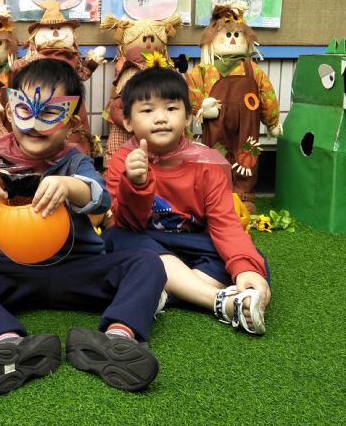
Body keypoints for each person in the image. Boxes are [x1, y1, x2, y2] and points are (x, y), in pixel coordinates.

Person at [0, 59, 167, 395]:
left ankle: (118, 338)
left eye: (49, 113)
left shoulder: (75, 159)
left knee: (147, 262)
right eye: (25, 110)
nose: (34, 124)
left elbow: (101, 198)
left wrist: (70, 185)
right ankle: (9, 341)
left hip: (80, 270)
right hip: (16, 272)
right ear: (10, 110)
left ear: (71, 122)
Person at [104, 67, 272, 335]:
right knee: (117, 237)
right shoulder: (122, 160)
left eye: (171, 108)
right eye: (147, 110)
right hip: (145, 241)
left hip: (191, 242)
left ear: (188, 117)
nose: (161, 118)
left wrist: (245, 269)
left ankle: (163, 291)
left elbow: (225, 224)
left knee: (249, 259)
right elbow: (127, 222)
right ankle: (221, 302)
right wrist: (135, 183)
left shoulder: (206, 164)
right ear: (127, 122)